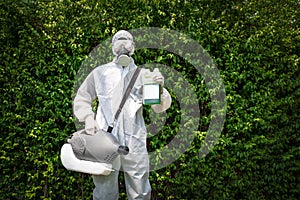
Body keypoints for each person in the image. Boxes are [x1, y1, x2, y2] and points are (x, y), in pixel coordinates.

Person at [73, 30, 172, 200]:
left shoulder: (143, 75)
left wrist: (160, 89)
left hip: (135, 141)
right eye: (118, 40)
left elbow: (158, 107)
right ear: (112, 47)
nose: (122, 44)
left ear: (133, 47)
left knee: (139, 190)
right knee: (105, 191)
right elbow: (82, 97)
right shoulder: (100, 73)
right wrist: (88, 118)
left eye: (126, 40)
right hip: (105, 140)